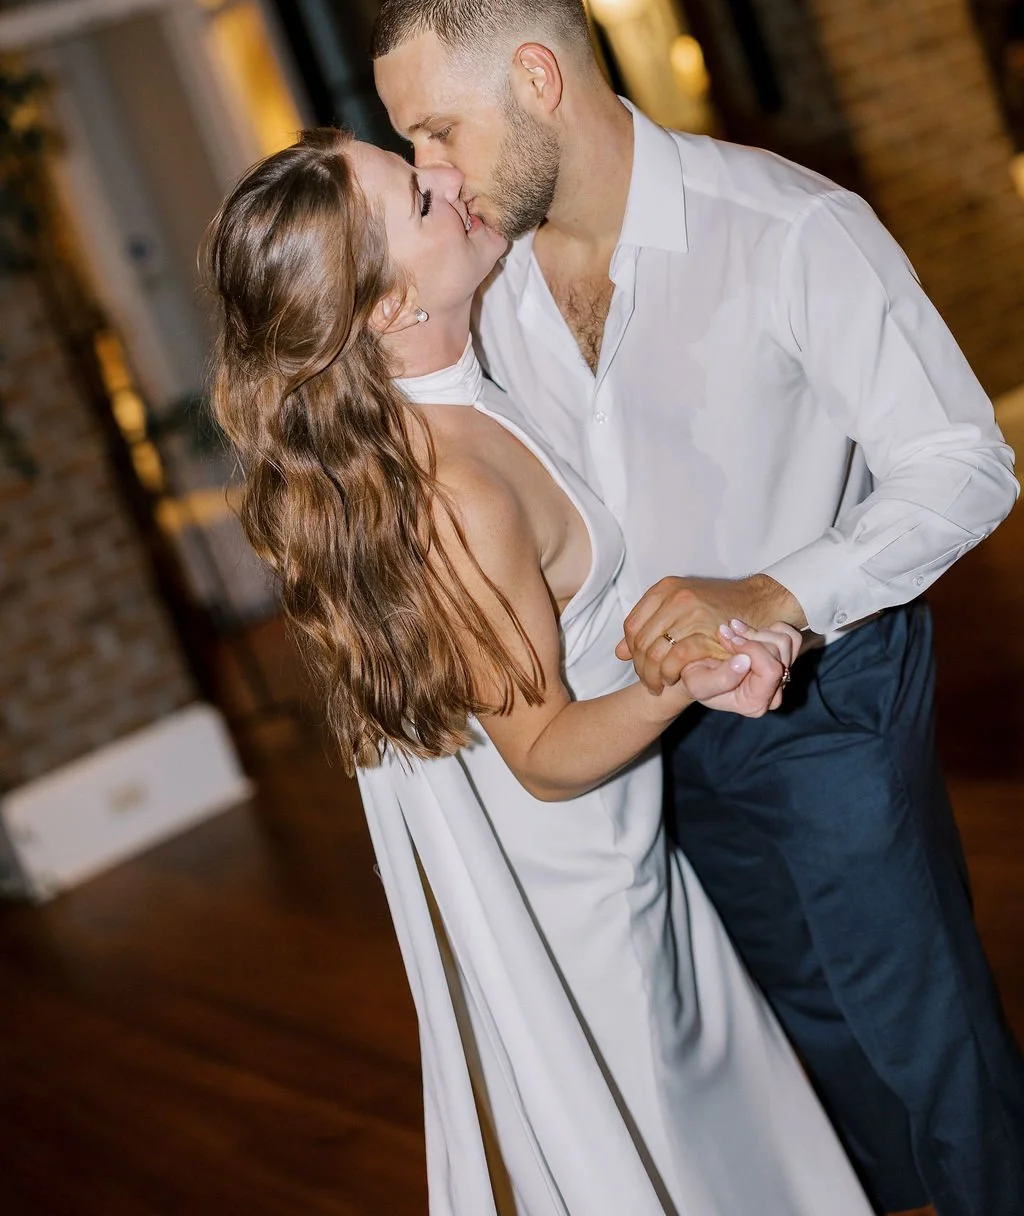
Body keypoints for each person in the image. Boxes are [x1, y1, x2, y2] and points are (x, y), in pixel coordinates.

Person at [370, 0, 1024, 1216]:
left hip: (825, 697)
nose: (428, 175)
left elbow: (964, 465)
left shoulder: (788, 230)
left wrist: (772, 594)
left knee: (922, 1043)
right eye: (409, 149)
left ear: (539, 80)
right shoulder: (479, 283)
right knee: (795, 1062)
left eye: (439, 131)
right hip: (639, 738)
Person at [206, 128, 874, 1215]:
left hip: (626, 856)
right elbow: (543, 755)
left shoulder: (462, 396)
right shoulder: (451, 497)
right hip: (583, 905)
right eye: (419, 199)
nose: (449, 181)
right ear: (384, 309)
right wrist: (682, 669)